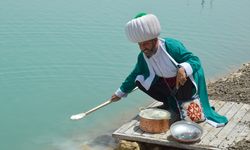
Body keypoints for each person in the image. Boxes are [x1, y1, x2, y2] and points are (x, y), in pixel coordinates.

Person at [111, 13, 228, 126]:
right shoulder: (143, 56)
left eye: (145, 44)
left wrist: (183, 69)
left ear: (154, 39)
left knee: (192, 116)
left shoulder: (171, 46)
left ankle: (183, 103)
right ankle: (169, 102)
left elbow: (195, 60)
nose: (142, 48)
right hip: (167, 84)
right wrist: (120, 93)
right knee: (139, 80)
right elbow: (134, 74)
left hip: (184, 82)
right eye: (139, 45)